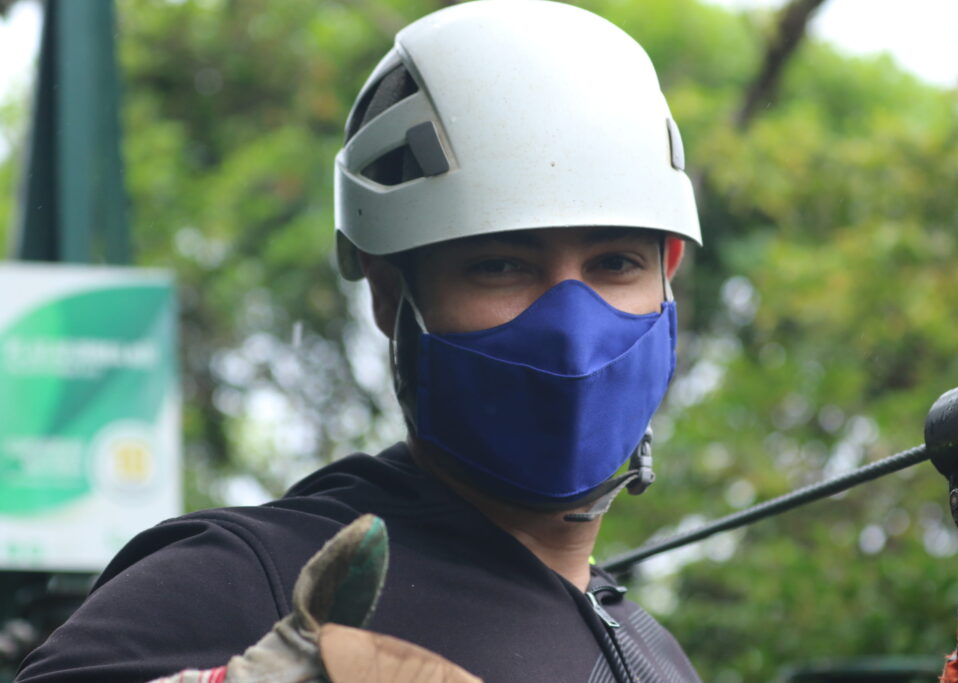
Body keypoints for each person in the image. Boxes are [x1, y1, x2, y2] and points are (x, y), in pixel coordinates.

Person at [16, 1, 705, 681]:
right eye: (500, 265)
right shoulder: (252, 579)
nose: (571, 329)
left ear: (667, 274)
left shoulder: (657, 651)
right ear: (387, 292)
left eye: (615, 263)